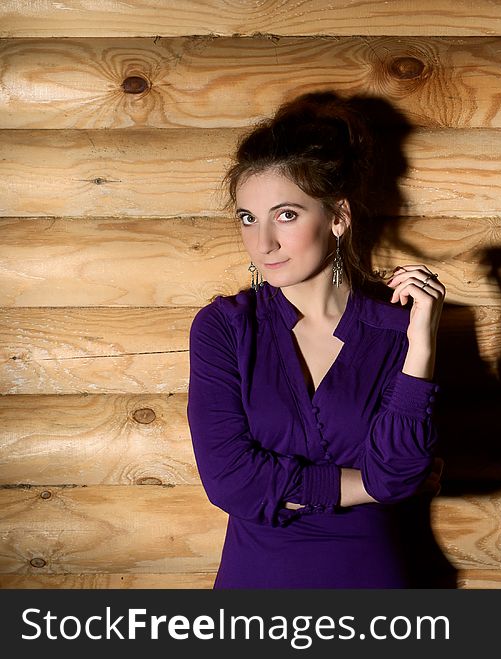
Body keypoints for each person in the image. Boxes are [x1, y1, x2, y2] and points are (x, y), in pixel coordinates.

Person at [186, 92, 446, 588]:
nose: (263, 242)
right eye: (248, 218)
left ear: (338, 217)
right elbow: (231, 483)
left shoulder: (397, 330)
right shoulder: (225, 329)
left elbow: (403, 469)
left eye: (285, 215)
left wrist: (422, 348)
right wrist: (372, 485)